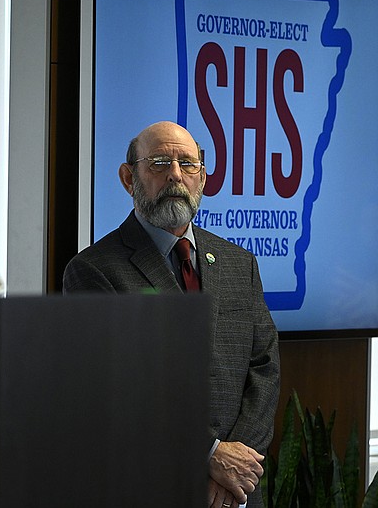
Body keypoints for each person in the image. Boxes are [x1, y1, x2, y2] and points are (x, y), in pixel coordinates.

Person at [63, 121, 280, 508]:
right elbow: (111, 388)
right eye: (160, 163)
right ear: (129, 177)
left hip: (238, 492)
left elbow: (264, 366)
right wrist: (209, 455)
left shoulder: (239, 263)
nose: (176, 175)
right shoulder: (94, 270)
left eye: (188, 164)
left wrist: (236, 464)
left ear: (204, 177)